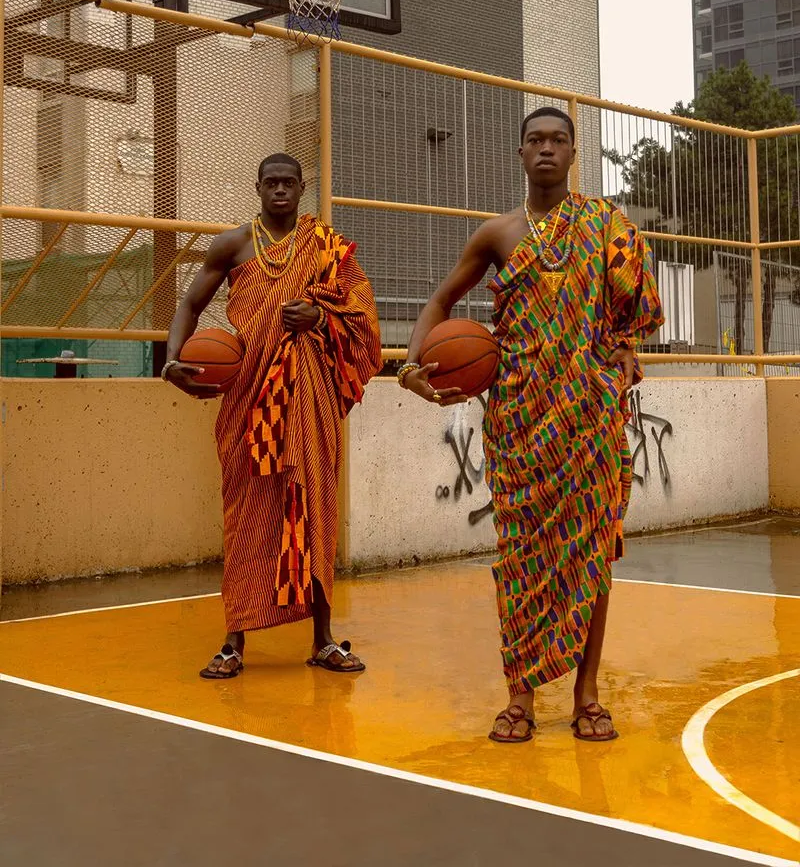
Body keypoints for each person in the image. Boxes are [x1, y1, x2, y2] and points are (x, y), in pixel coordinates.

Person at [399, 108, 664, 742]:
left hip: (590, 417)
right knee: (519, 557)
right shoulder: (497, 234)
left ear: (574, 153)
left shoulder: (606, 228)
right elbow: (441, 301)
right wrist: (413, 361)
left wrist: (620, 361)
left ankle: (587, 694)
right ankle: (519, 696)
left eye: (558, 140)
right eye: (535, 140)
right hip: (518, 421)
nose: (546, 149)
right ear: (519, 153)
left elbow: (633, 319)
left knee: (591, 554)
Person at [164, 153, 382, 678]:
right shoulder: (232, 245)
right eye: (271, 183)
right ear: (258, 188)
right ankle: (234, 640)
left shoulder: (326, 245)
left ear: (302, 188)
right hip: (248, 401)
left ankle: (324, 638)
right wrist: (171, 358)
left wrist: (321, 315)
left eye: (289, 183)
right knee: (245, 514)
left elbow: (364, 312)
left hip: (310, 397)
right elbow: (190, 305)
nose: (280, 190)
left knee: (316, 508)